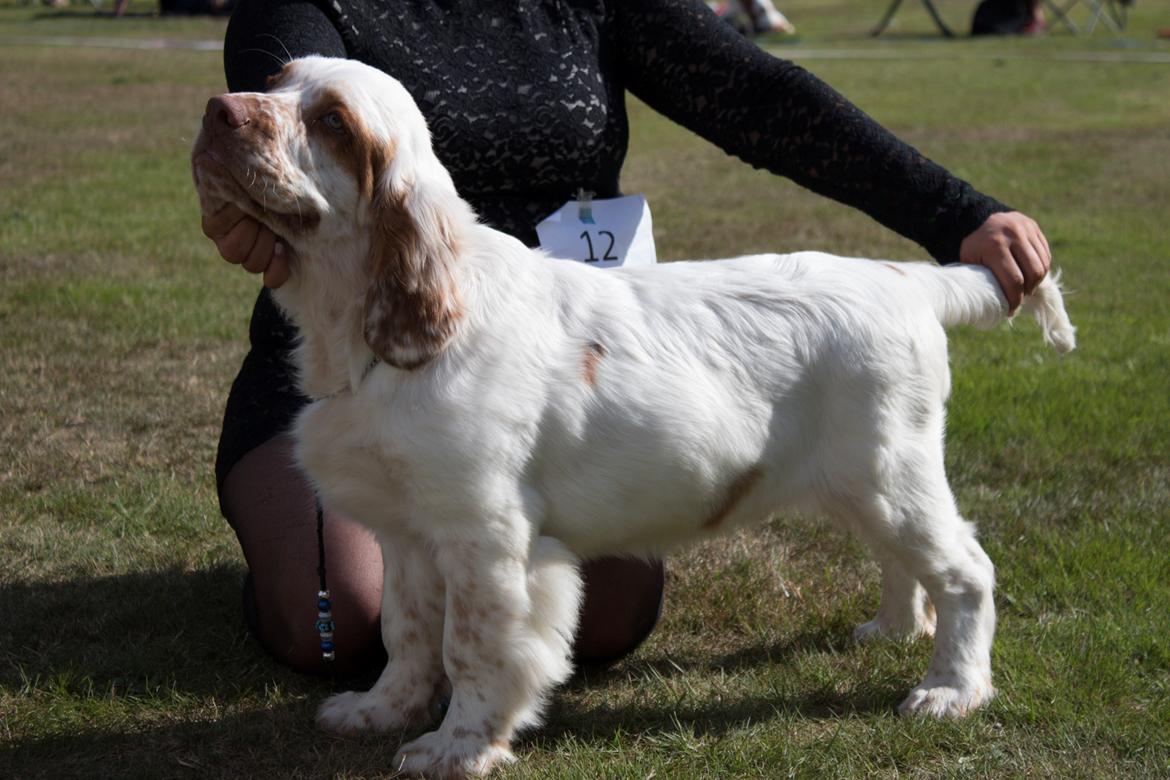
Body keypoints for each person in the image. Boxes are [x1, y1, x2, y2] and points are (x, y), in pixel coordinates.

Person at [202, 0, 1052, 678]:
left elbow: (761, 99)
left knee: (600, 624)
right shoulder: (308, 16)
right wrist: (240, 197)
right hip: (354, 361)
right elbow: (264, 118)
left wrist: (956, 213)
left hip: (582, 376)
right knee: (332, 626)